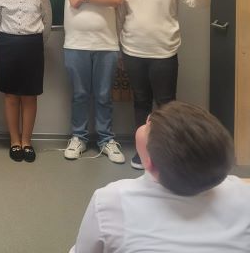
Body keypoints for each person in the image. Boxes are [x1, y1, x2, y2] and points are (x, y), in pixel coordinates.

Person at [70, 101, 250, 252]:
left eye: (147, 127)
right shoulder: (244, 194)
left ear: (151, 163)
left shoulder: (110, 200)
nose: (147, 120)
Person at [118, 0, 210, 169]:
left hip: (164, 54)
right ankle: (143, 151)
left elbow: (200, 3)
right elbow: (120, 19)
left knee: (166, 105)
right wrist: (120, 49)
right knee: (140, 102)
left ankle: (167, 153)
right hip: (132, 52)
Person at [42, 0, 125, 163]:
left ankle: (106, 139)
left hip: (106, 45)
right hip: (75, 44)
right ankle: (79, 137)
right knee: (80, 95)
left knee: (103, 95)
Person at [0, 0, 51, 162]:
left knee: (30, 96)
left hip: (32, 46)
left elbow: (47, 22)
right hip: (7, 46)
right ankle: (14, 141)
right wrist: (9, 41)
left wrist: (34, 42)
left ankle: (27, 141)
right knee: (11, 96)